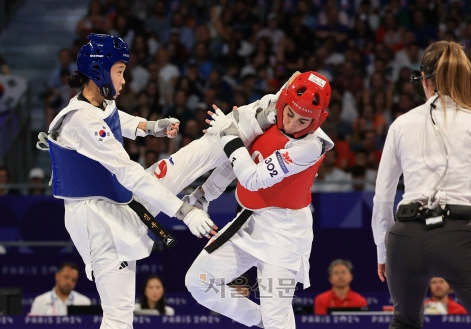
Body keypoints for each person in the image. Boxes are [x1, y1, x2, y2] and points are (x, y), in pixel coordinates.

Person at [36, 34, 216, 329]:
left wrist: (151, 127)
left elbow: (118, 118)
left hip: (117, 202)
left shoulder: (98, 105)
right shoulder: (80, 119)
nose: (123, 80)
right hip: (95, 220)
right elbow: (127, 171)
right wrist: (183, 211)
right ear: (98, 72)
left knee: (193, 156)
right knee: (118, 318)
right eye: (119, 71)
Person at [371, 40, 471, 329]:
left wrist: (382, 251)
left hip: (404, 238)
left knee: (404, 322)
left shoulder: (400, 124)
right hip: (454, 236)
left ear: (425, 78)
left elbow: (382, 196)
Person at [181, 71, 333, 329]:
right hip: (248, 220)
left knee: (278, 317)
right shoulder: (269, 112)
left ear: (318, 120)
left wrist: (229, 135)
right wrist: (206, 193)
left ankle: (276, 324)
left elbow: (252, 177)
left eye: (304, 121)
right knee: (199, 281)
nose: (293, 124)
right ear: (283, 102)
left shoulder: (311, 146)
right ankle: (265, 323)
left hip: (285, 235)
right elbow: (237, 159)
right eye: (290, 114)